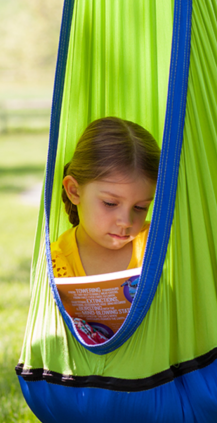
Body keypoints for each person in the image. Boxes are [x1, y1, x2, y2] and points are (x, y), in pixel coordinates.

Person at [52, 116, 160, 343]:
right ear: (74, 191)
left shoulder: (158, 246)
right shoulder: (57, 261)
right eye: (110, 204)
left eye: (141, 207)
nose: (126, 221)